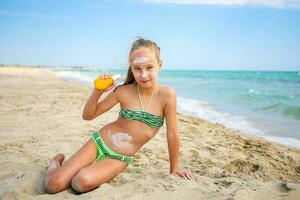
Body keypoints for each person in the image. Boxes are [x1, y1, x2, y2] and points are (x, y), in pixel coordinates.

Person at [44, 37, 193, 194]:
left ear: (160, 65)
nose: (143, 75)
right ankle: (56, 162)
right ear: (131, 67)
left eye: (149, 68)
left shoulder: (167, 95)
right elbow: (88, 116)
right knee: (53, 185)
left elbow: (172, 133)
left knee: (81, 182)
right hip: (99, 143)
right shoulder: (123, 91)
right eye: (137, 69)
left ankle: (80, 169)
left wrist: (174, 169)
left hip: (119, 158)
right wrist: (98, 91)